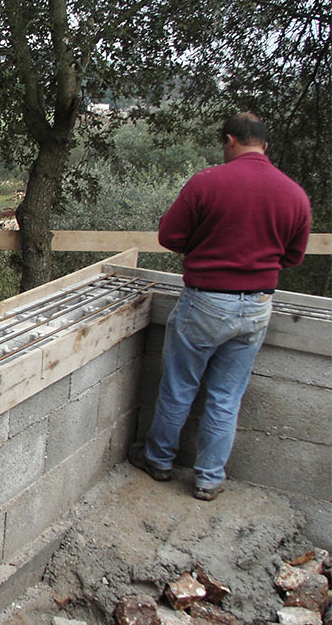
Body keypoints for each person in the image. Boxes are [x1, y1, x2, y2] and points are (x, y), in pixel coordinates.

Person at [129, 112, 312, 501]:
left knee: (180, 386)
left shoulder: (208, 182)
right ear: (265, 145)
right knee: (227, 397)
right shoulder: (294, 194)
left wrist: (208, 248)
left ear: (230, 140)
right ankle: (209, 479)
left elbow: (170, 236)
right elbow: (293, 257)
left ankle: (159, 460)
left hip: (207, 302)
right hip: (259, 306)